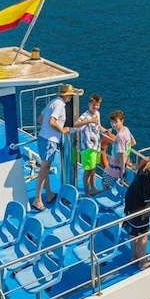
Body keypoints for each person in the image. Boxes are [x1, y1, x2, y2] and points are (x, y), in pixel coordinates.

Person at [31, 83, 75, 212]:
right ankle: (37, 200)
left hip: (43, 138)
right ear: (67, 95)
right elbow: (52, 121)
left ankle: (49, 194)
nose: (71, 96)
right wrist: (62, 131)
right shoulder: (60, 105)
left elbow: (40, 118)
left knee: (45, 168)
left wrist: (47, 130)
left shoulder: (53, 102)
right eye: (71, 94)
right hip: (50, 141)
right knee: (44, 170)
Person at [73, 94, 108, 197]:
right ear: (89, 104)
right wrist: (90, 120)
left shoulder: (97, 114)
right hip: (88, 147)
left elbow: (98, 126)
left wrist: (106, 131)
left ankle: (93, 188)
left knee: (93, 169)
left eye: (97, 105)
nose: (95, 107)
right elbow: (76, 124)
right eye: (93, 105)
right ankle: (87, 193)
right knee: (88, 171)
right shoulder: (85, 115)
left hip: (96, 146)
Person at [102, 110, 136, 190]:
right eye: (112, 122)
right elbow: (133, 142)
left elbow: (121, 154)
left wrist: (122, 170)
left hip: (116, 166)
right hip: (127, 161)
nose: (114, 124)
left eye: (116, 122)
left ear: (122, 121)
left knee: (104, 182)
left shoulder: (120, 136)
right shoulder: (126, 129)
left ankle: (107, 196)